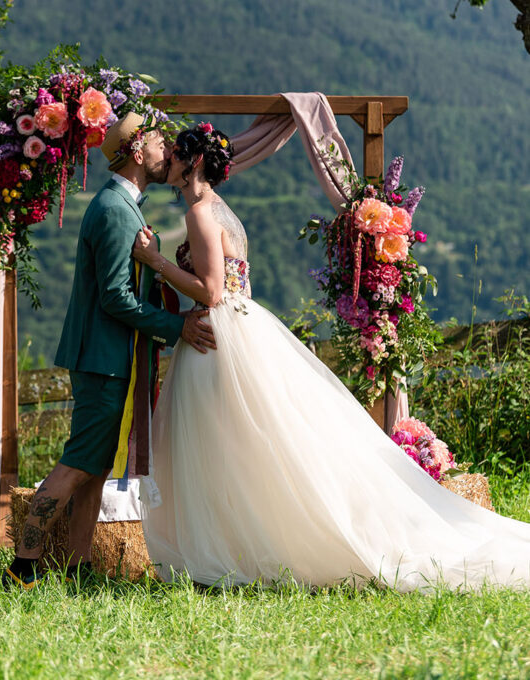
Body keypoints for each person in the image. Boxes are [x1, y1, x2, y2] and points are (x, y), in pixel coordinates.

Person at [132, 122, 530, 591]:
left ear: (194, 162)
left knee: (223, 445)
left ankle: (231, 552)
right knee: (252, 443)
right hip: (244, 326)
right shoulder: (221, 209)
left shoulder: (200, 213)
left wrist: (156, 262)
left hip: (214, 335)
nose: (169, 161)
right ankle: (241, 546)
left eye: (177, 155)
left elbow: (214, 291)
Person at [2, 112, 215, 589]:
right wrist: (175, 326)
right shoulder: (116, 210)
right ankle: (21, 566)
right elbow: (116, 297)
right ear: (139, 153)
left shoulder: (120, 205)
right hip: (104, 360)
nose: (168, 153)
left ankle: (78, 568)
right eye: (161, 144)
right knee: (77, 464)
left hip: (107, 357)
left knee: (94, 468)